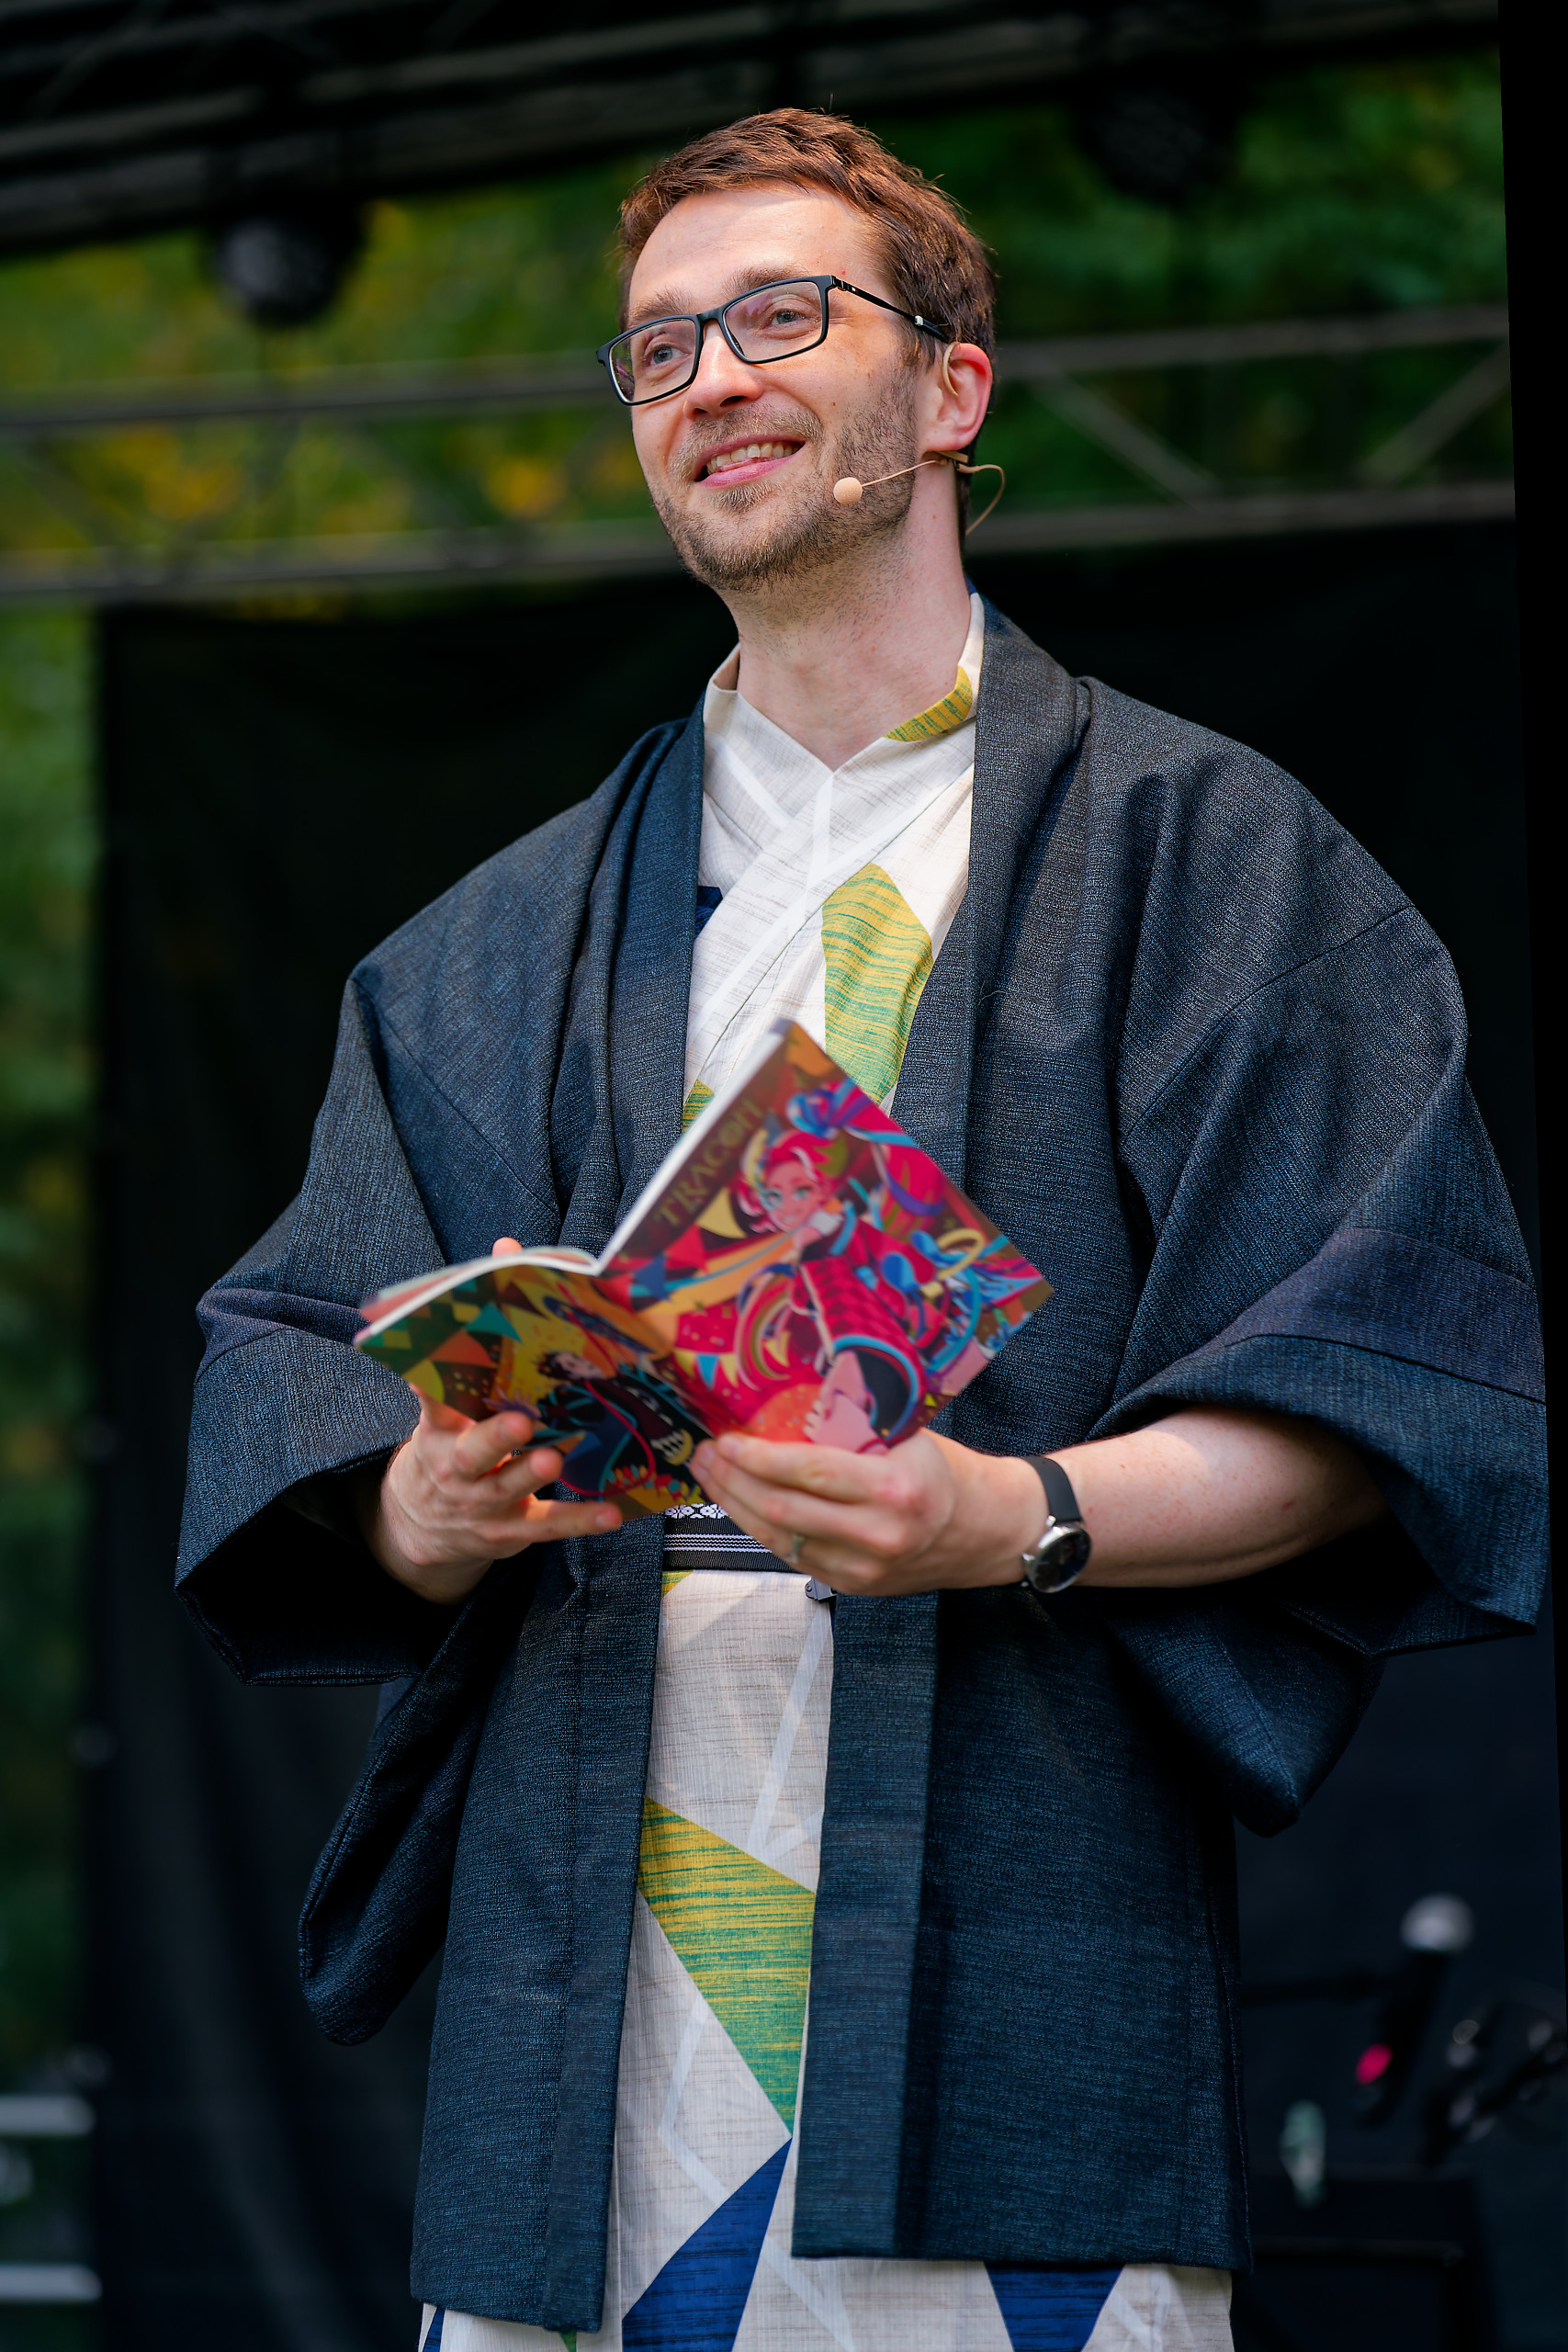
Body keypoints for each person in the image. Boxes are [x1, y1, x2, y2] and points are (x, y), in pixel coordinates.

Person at [177, 109, 1546, 2352]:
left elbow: (1383, 1378)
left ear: (948, 385)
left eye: (779, 316)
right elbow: (290, 1369)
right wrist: (422, 1501)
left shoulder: (1211, 857)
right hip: (584, 1979)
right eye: (656, 346)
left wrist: (1005, 1512)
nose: (708, 374)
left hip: (1023, 1934)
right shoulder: (485, 945)